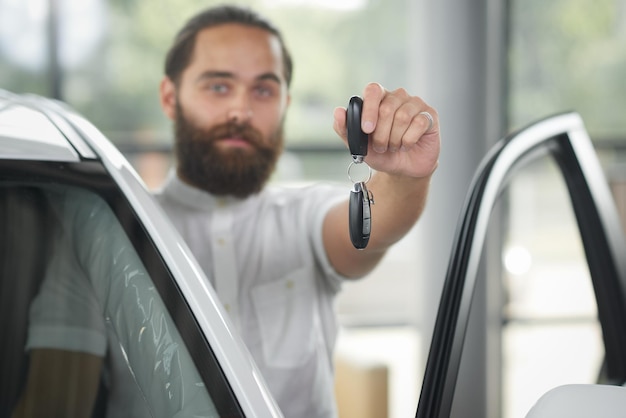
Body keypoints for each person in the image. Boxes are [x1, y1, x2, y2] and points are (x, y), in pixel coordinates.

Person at [153, 4, 440, 418]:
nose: (242, 110)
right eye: (218, 86)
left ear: (285, 102)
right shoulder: (113, 228)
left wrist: (407, 177)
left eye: (264, 90)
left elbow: (375, 227)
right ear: (169, 96)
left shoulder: (304, 216)